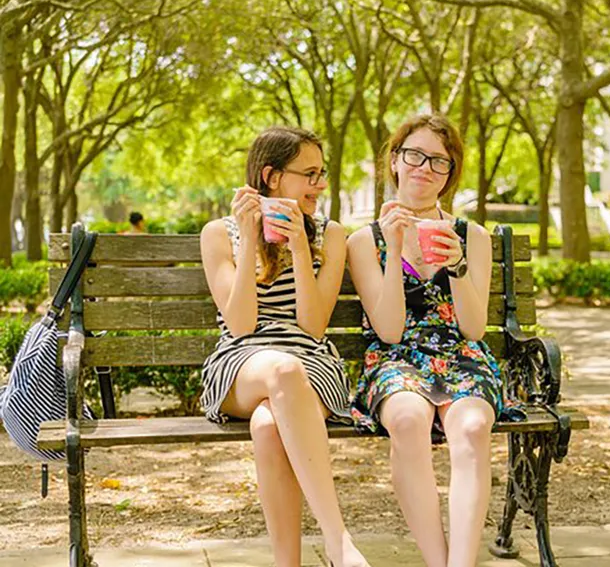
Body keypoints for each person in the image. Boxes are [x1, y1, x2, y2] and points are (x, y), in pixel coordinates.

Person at [347, 114, 522, 567]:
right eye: (415, 155)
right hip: (394, 357)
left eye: (439, 161)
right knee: (406, 420)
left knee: (472, 427)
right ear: (395, 161)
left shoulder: (472, 236)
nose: (425, 168)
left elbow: (473, 330)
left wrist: (459, 265)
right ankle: (437, 559)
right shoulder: (364, 241)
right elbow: (387, 330)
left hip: (460, 353)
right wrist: (393, 249)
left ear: (450, 174)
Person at [199, 127, 369, 567]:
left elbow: (313, 327)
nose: (321, 184)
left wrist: (298, 246)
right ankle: (339, 542)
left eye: (322, 173)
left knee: (268, 426)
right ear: (272, 176)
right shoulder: (219, 233)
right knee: (282, 371)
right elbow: (239, 325)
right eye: (310, 174)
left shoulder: (330, 235)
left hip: (311, 362)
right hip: (241, 364)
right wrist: (250, 235)